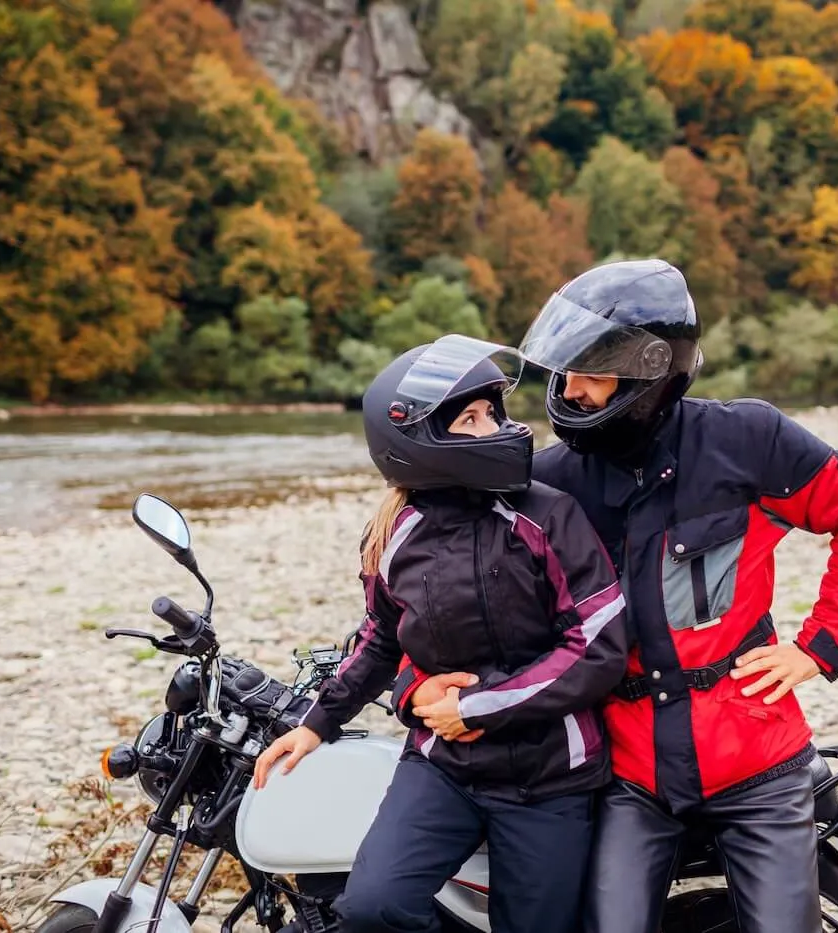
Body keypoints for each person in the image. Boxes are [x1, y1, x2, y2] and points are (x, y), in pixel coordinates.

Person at [512, 258, 838, 933]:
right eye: (565, 369)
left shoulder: (748, 440)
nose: (571, 388)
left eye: (592, 371)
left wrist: (817, 648)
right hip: (630, 773)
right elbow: (477, 569)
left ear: (650, 371)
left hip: (758, 763)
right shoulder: (551, 480)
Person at [252, 334, 629, 933]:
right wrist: (315, 725)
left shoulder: (547, 515)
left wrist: (475, 707)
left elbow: (598, 646)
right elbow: (381, 635)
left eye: (494, 413)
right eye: (472, 419)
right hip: (442, 767)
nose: (498, 429)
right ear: (417, 442)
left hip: (550, 775)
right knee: (372, 909)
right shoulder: (395, 534)